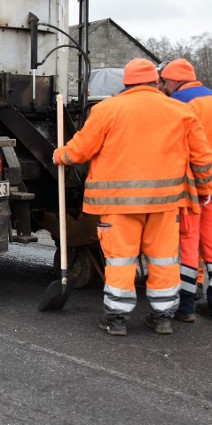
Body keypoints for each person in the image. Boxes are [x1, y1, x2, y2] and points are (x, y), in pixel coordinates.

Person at [53, 58, 212, 336]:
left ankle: (117, 319)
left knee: (121, 259)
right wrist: (204, 191)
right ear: (156, 82)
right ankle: (162, 317)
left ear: (125, 83)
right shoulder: (180, 111)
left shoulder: (106, 109)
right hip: (165, 204)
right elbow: (202, 157)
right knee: (163, 259)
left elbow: (80, 151)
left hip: (118, 204)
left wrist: (59, 154)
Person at [159, 58, 212, 322]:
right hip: (211, 183)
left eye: (166, 81)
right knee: (211, 244)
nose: (165, 86)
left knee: (187, 242)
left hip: (191, 184)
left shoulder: (178, 104)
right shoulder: (211, 98)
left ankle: (187, 304)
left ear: (176, 80)